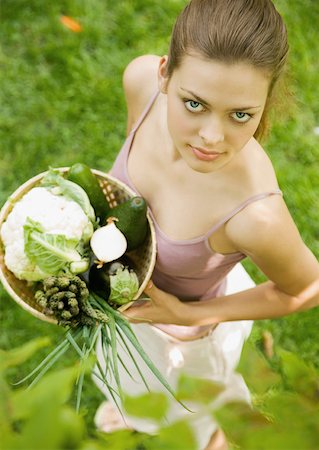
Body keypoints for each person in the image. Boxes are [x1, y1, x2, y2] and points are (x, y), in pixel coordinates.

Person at [93, 0, 319, 448]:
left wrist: (188, 315)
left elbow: (307, 289)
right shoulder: (140, 83)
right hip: (117, 305)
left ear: (264, 103)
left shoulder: (255, 216)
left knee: (188, 416)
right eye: (194, 103)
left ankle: (215, 433)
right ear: (163, 74)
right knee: (122, 382)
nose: (211, 138)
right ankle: (129, 405)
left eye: (241, 115)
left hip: (181, 340)